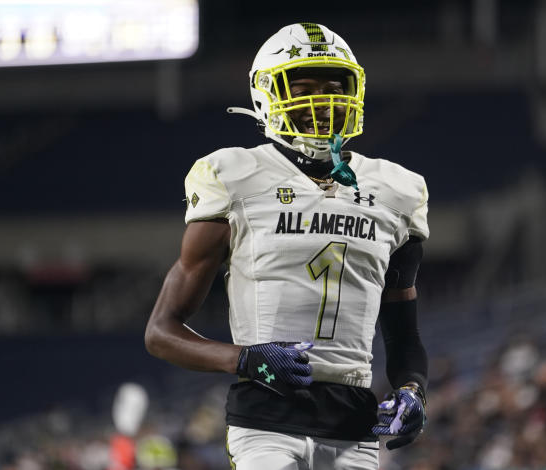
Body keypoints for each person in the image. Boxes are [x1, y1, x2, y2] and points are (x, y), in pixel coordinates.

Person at [145, 22, 429, 470]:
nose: (322, 98)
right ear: (267, 96)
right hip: (266, 419)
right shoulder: (234, 175)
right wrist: (244, 360)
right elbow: (161, 332)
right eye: (303, 86)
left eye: (334, 86)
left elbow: (404, 333)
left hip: (354, 424)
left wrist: (412, 390)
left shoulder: (397, 190)